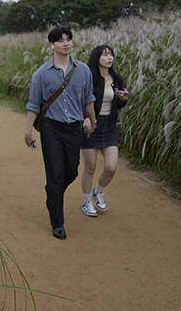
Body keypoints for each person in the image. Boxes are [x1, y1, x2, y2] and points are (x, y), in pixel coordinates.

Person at [24, 27, 97, 240]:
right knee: (55, 174)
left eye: (68, 39)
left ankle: (52, 194)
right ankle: (57, 222)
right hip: (51, 129)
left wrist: (92, 120)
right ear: (52, 45)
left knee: (71, 171)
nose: (66, 43)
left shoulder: (83, 70)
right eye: (60, 40)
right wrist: (28, 131)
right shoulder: (41, 74)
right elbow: (33, 105)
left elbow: (88, 98)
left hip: (74, 128)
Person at [80, 45, 129, 217]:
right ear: (97, 58)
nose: (109, 58)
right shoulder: (89, 78)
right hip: (90, 124)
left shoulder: (117, 79)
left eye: (111, 55)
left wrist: (123, 99)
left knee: (111, 167)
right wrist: (85, 118)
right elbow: (80, 100)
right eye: (105, 55)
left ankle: (98, 191)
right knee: (90, 166)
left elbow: (120, 104)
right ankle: (87, 201)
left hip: (109, 125)